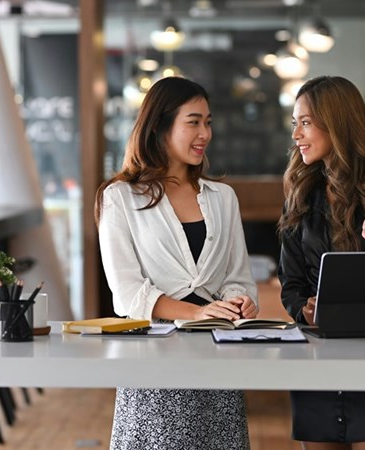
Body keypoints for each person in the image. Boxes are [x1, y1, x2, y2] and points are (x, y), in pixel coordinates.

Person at [95, 76, 259, 450]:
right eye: (194, 121)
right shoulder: (119, 198)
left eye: (209, 122)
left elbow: (239, 278)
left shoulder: (223, 198)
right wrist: (195, 313)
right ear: (160, 126)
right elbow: (127, 294)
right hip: (154, 360)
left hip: (218, 355)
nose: (205, 133)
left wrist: (239, 301)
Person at [278, 75, 365, 450]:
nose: (296, 134)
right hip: (316, 364)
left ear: (337, 123)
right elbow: (291, 283)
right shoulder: (300, 194)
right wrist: (304, 311)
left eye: (305, 122)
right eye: (294, 123)